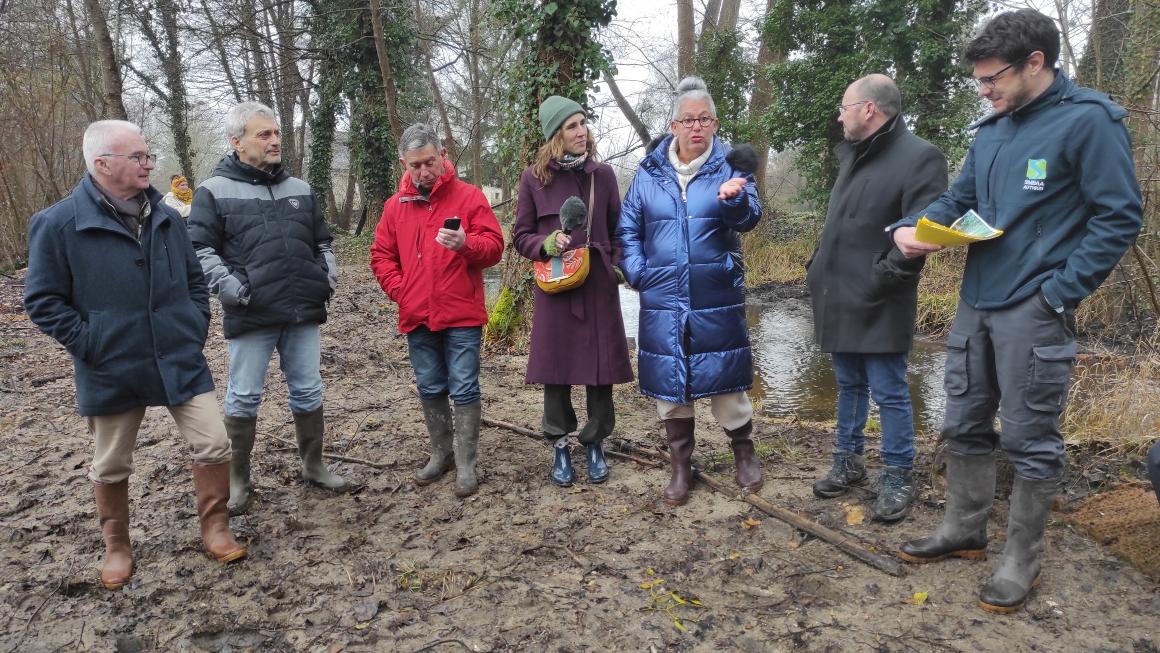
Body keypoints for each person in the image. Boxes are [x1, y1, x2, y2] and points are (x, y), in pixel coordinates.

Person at [891, 9, 1143, 614]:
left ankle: (1021, 560)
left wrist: (1060, 292)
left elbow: (1119, 216)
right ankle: (963, 529)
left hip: (1035, 306)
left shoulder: (1090, 122)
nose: (984, 90)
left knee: (1030, 437)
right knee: (963, 421)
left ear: (1037, 63)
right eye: (978, 81)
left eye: (992, 78)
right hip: (975, 299)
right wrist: (913, 227)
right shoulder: (991, 130)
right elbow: (961, 197)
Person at [24, 120, 247, 590]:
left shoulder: (167, 217)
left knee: (213, 441)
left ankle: (215, 526)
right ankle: (117, 546)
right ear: (102, 164)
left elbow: (193, 280)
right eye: (139, 157)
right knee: (110, 463)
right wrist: (91, 343)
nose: (150, 164)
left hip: (178, 355)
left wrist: (192, 327)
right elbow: (42, 301)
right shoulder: (58, 223)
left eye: (148, 156)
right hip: (110, 364)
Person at [188, 102, 351, 515]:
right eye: (264, 134)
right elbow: (199, 249)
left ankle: (313, 465)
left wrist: (324, 279)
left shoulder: (300, 189)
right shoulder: (213, 191)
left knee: (309, 389)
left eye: (276, 132)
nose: (275, 140)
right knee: (243, 397)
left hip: (302, 309)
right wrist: (236, 291)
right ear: (236, 142)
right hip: (252, 313)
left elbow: (323, 243)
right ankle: (238, 481)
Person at [806, 74, 949, 522]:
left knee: (889, 391)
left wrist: (881, 276)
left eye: (845, 106)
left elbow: (924, 231)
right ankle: (848, 464)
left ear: (869, 108)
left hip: (881, 296)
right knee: (848, 385)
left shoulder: (921, 156)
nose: (839, 115)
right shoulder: (853, 153)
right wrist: (816, 266)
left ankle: (897, 475)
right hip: (837, 292)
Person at [617, 76, 763, 506]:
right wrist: (638, 271)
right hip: (662, 295)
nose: (696, 127)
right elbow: (628, 227)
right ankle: (682, 466)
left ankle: (744, 454)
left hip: (715, 290)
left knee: (726, 381)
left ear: (715, 124)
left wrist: (734, 198)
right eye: (688, 119)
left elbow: (748, 217)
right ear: (673, 124)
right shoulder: (648, 174)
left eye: (704, 119)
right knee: (670, 384)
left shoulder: (731, 166)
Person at [370, 123, 504, 497]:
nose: (425, 171)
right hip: (417, 315)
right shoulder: (395, 207)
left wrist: (466, 244)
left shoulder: (469, 197)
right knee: (429, 384)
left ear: (442, 155)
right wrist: (402, 291)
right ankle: (441, 453)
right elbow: (381, 255)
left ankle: (466, 463)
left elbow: (494, 246)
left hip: (461, 312)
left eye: (430, 162)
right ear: (404, 164)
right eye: (416, 166)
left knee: (464, 385)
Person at [511, 96, 634, 486]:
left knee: (599, 371)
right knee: (557, 368)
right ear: (555, 135)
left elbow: (618, 231)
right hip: (556, 285)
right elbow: (521, 236)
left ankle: (595, 442)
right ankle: (560, 444)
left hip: (596, 283)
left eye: (583, 123)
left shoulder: (604, 175)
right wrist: (546, 244)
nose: (582, 132)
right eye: (571, 126)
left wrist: (617, 265)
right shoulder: (533, 178)